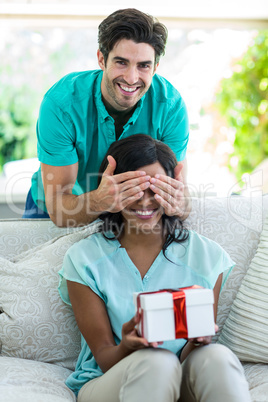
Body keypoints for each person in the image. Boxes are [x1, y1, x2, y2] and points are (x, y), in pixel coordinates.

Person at [58, 134, 251, 402]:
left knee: (216, 356)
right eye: (134, 188)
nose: (146, 201)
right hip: (109, 379)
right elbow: (103, 358)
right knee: (157, 361)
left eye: (156, 188)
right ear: (112, 188)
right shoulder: (84, 259)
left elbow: (188, 358)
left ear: (174, 188)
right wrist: (126, 345)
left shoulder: (206, 256)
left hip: (179, 377)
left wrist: (197, 342)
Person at [22, 8, 191, 226]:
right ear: (102, 59)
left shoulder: (170, 108)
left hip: (124, 211)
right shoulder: (61, 104)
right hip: (53, 208)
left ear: (155, 67)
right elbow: (59, 208)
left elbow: (183, 199)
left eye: (143, 66)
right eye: (121, 62)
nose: (131, 78)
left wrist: (179, 204)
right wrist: (100, 201)